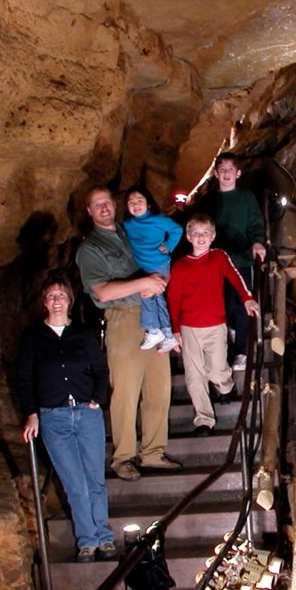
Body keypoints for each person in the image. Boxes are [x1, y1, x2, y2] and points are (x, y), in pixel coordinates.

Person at [75, 186, 181, 481]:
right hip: (123, 320)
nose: (104, 208)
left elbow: (158, 253)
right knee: (125, 391)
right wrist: (143, 284)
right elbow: (102, 291)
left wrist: (162, 271)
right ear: (90, 211)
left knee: (159, 389)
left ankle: (153, 452)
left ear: (114, 203)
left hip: (153, 317)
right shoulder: (90, 249)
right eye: (97, 205)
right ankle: (123, 457)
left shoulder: (129, 231)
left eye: (107, 202)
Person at [17, 272, 117, 562]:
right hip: (53, 417)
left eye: (61, 295)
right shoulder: (33, 337)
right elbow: (25, 379)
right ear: (44, 303)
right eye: (51, 296)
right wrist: (31, 414)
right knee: (74, 482)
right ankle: (87, 540)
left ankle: (104, 537)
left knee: (95, 479)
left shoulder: (83, 334)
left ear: (69, 301)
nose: (56, 300)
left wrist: (98, 400)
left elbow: (100, 370)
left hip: (86, 414)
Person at [168, 214, 260, 435]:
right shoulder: (180, 266)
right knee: (194, 375)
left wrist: (247, 298)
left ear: (213, 236)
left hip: (215, 325)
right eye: (196, 233)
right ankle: (204, 419)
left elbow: (235, 276)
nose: (201, 237)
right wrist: (175, 330)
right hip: (189, 327)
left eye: (205, 233)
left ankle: (226, 386)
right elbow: (173, 299)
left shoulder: (218, 257)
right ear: (189, 236)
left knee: (216, 370)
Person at [198, 153, 266, 370]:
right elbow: (199, 227)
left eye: (230, 169)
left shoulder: (247, 199)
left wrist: (257, 242)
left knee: (243, 302)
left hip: (241, 258)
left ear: (238, 173)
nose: (226, 174)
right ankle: (228, 338)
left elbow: (256, 223)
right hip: (215, 261)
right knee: (221, 303)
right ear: (216, 174)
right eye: (222, 170)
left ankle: (241, 352)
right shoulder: (209, 201)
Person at [121, 188, 183, 353]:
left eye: (139, 201)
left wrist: (169, 246)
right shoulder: (127, 224)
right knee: (148, 297)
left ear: (148, 204)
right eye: (131, 202)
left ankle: (166, 333)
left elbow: (177, 230)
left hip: (159, 263)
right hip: (142, 266)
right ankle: (157, 332)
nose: (136, 205)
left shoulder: (158, 219)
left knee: (156, 296)